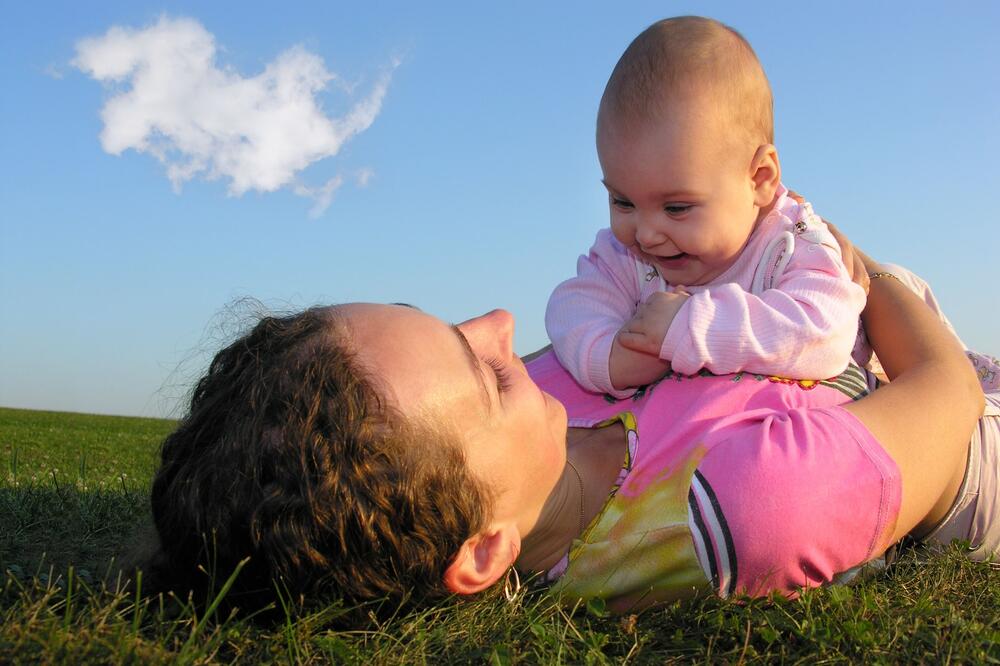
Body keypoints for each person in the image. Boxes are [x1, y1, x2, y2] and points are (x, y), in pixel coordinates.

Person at [147, 233, 998, 618]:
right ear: (485, 551)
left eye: (451, 324)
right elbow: (948, 392)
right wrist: (855, 264)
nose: (503, 325)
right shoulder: (746, 507)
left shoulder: (555, 389)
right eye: (484, 374)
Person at [546, 16, 871, 396]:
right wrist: (609, 357)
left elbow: (826, 332)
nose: (646, 234)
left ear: (759, 179)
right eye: (622, 201)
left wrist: (690, 326)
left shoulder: (791, 243)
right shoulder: (624, 257)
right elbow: (571, 307)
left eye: (676, 208)